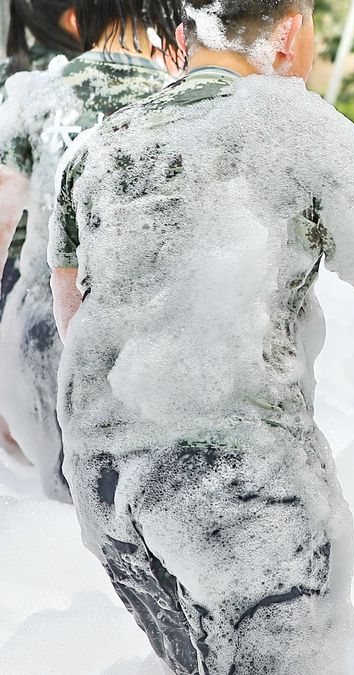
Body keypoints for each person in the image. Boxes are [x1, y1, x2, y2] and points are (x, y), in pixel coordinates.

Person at [47, 0, 354, 670]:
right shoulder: (298, 126)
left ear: (184, 38)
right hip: (237, 487)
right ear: (291, 30)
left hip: (105, 484)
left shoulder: (97, 148)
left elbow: (78, 320)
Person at [0, 0, 183, 501]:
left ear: (79, 18)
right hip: (150, 343)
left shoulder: (34, 96)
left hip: (42, 327)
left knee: (60, 504)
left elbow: (1, 218)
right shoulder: (174, 100)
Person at [0, 0, 81, 459]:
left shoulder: (17, 82)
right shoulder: (68, 88)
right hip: (44, 286)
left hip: (21, 291)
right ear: (74, 18)